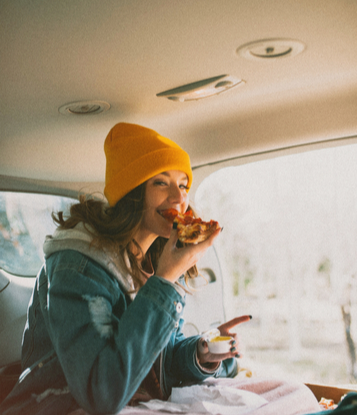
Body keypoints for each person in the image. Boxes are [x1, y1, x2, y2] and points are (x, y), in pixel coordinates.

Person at [0, 123, 252, 415]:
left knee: (286, 393)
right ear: (132, 191)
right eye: (161, 182)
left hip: (134, 402)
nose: (179, 198)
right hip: (55, 405)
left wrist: (200, 353)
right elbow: (101, 392)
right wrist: (165, 282)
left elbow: (154, 361)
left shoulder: (152, 262)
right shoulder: (77, 265)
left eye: (183, 185)